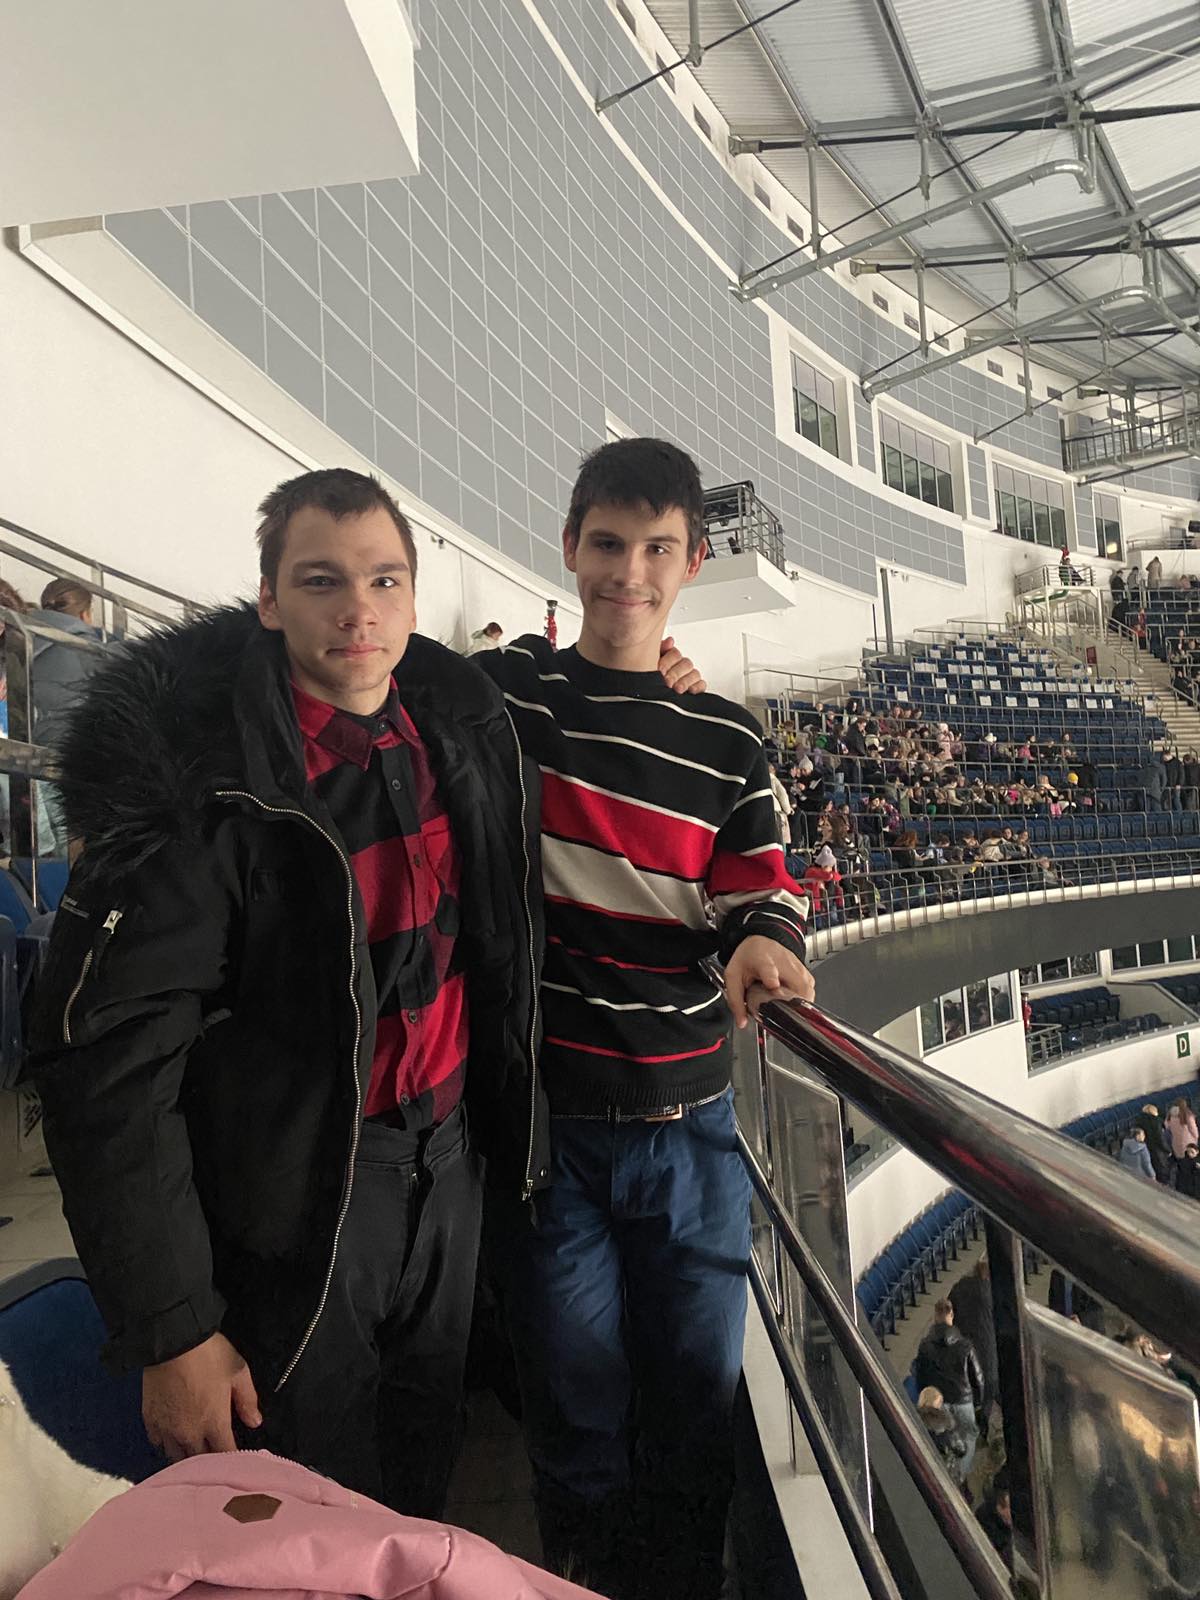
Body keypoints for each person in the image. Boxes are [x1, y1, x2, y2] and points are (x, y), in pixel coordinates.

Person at [27, 468, 551, 1520]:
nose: (359, 609)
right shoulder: (196, 784)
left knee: (421, 1469)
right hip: (304, 1197)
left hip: (450, 1167)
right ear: (268, 599)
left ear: (413, 597)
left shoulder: (464, 735)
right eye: (322, 581)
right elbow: (111, 1063)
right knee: (309, 1505)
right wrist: (173, 1326)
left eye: (384, 580)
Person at [477, 439, 813, 1600]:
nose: (631, 571)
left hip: (692, 1130)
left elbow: (760, 888)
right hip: (554, 1131)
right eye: (610, 543)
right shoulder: (512, 699)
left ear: (694, 562)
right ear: (571, 546)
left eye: (658, 548)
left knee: (694, 1398)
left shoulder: (726, 737)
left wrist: (766, 937)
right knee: (575, 1403)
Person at [913, 1299, 984, 1482]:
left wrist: (925, 1401)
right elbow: (977, 1378)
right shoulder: (965, 1345)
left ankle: (942, 1476)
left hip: (938, 1402)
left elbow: (919, 1376)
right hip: (963, 1400)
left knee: (941, 1440)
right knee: (968, 1436)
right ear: (951, 1315)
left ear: (935, 1316)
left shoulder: (925, 1346)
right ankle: (961, 1476)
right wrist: (978, 1402)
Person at [949, 1258, 998, 1441]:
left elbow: (951, 1316)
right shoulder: (990, 1291)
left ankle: (970, 1426)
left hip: (965, 1348)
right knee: (989, 1385)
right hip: (986, 1348)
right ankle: (981, 1427)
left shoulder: (959, 1288)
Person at [917, 1386, 968, 1485]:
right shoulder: (946, 1424)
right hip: (942, 1469)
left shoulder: (916, 1415)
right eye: (940, 1402)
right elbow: (961, 1449)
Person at [1164, 1098, 1198, 1164]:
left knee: (1182, 1162)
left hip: (1176, 1143)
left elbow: (1167, 1126)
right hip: (1189, 1141)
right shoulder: (1187, 1114)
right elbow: (1193, 1129)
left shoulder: (1170, 1115)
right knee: (1192, 1162)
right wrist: (1196, 1138)